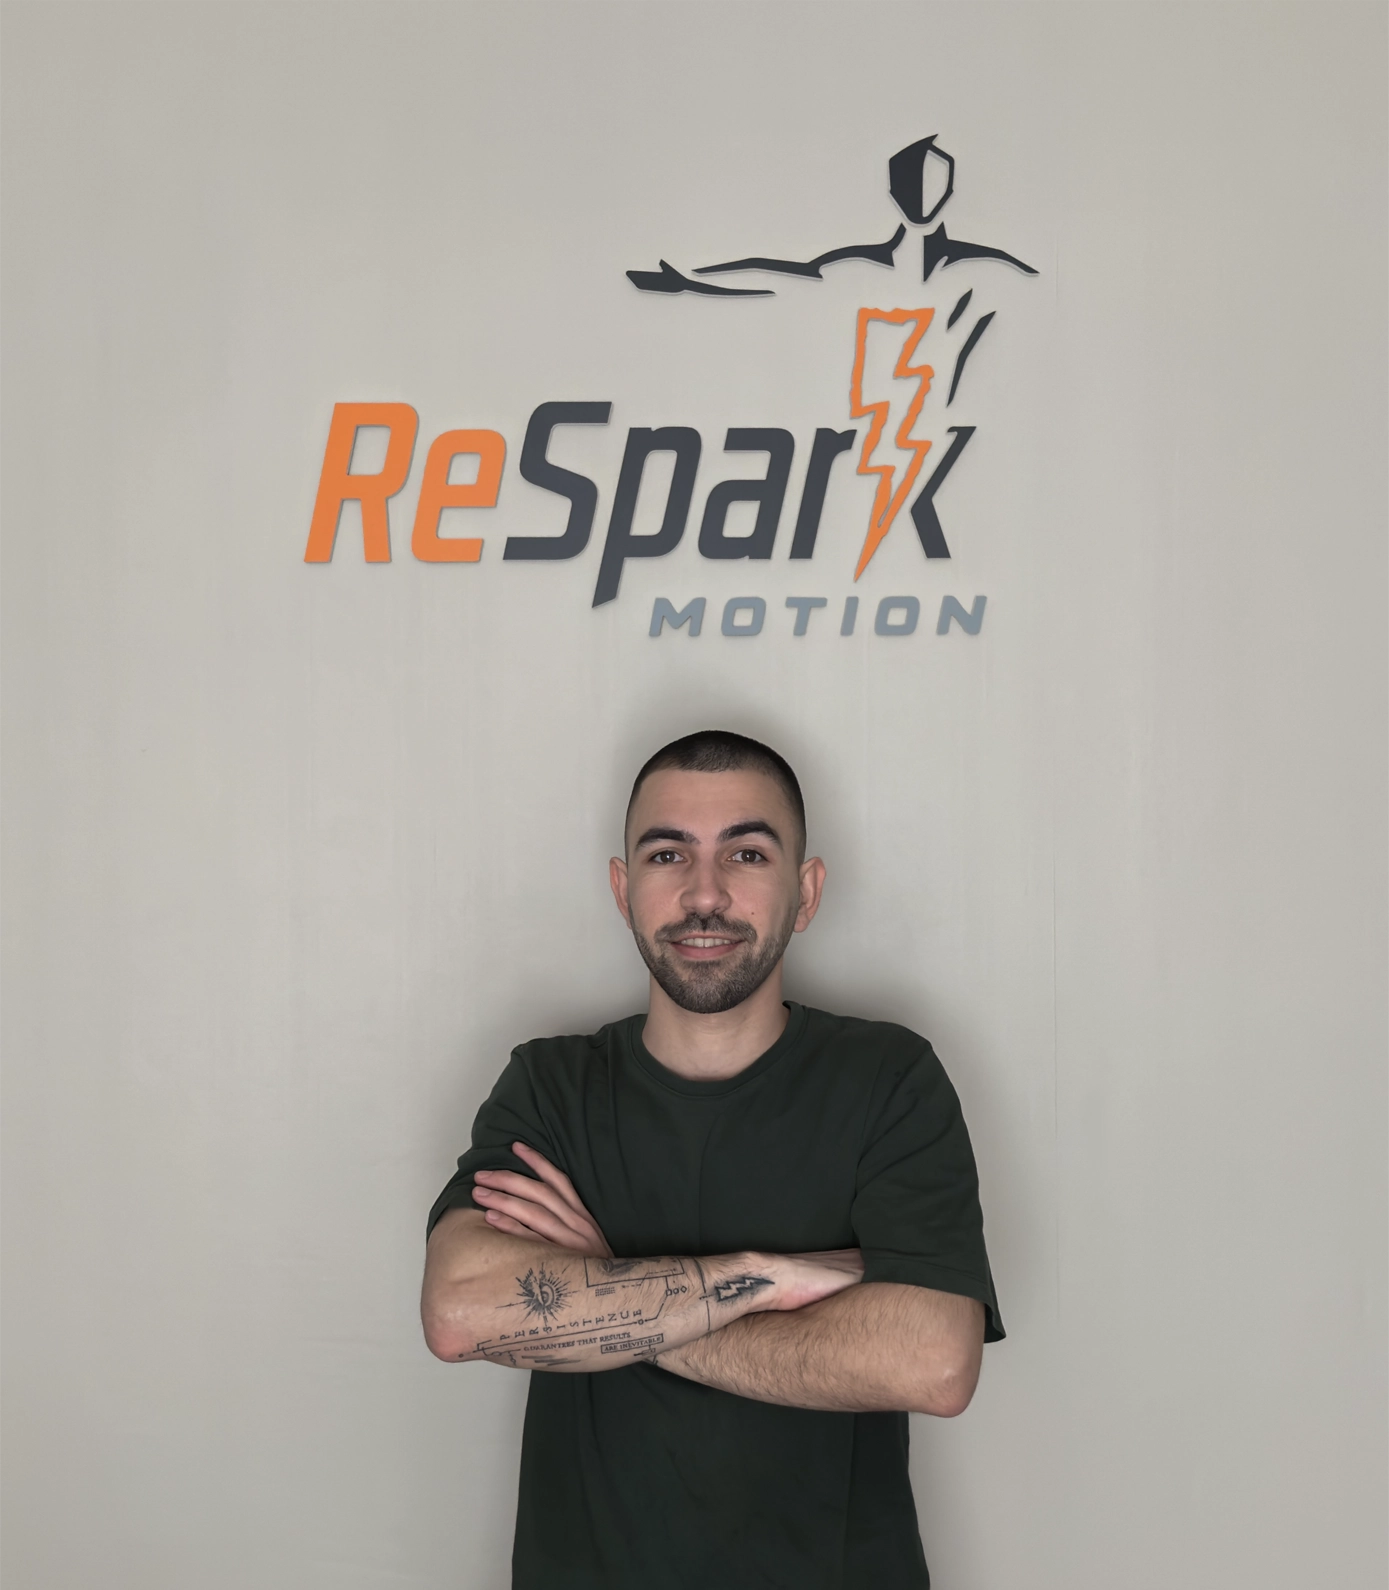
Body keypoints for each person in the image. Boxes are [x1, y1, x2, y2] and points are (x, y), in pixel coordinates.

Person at [421, 729, 1003, 1589]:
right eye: (667, 854)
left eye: (746, 853)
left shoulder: (888, 1078)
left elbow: (933, 1362)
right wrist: (763, 1277)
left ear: (805, 892)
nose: (704, 894)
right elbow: (461, 1312)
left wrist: (607, 1284)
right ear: (623, 889)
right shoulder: (551, 1086)